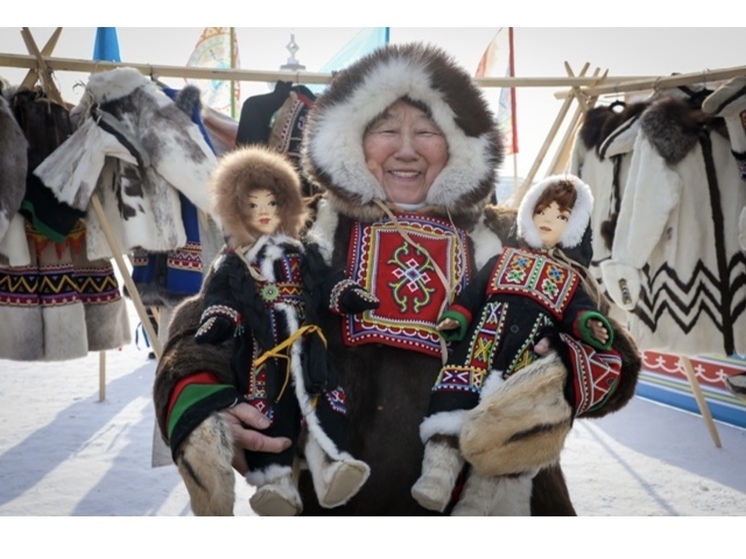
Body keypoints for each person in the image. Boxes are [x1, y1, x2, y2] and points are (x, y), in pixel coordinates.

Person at [154, 42, 640, 515]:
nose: (406, 149)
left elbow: (610, 347)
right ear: (352, 141)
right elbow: (206, 318)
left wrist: (562, 369)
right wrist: (203, 401)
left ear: (458, 143)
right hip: (337, 508)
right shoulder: (299, 230)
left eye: (428, 131)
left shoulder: (516, 237)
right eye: (385, 129)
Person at [160, 145, 378, 515]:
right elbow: (217, 298)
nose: (263, 212)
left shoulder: (303, 253)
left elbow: (325, 280)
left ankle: (332, 468)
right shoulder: (237, 261)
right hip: (263, 356)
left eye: (272, 203)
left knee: (322, 404)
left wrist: (347, 294)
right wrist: (218, 322)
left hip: (309, 353)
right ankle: (275, 482)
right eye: (252, 205)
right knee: (270, 414)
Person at [411, 174, 623, 514]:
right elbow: (474, 293)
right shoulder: (502, 259)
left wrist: (589, 324)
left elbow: (578, 311)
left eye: (561, 217)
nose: (548, 220)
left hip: (524, 370)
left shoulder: (570, 279)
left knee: (506, 439)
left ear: (573, 227)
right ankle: (437, 476)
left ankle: (475, 506)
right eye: (542, 211)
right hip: (479, 349)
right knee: (453, 405)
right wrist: (459, 317)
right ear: (529, 213)